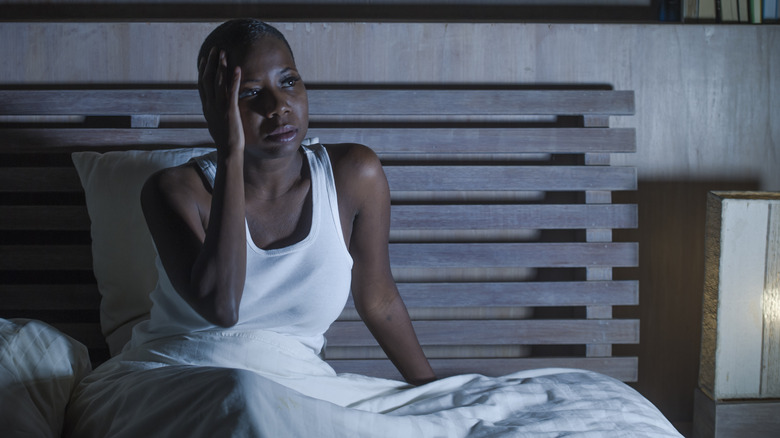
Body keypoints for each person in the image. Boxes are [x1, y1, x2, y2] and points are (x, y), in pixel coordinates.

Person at [135, 18, 436, 386]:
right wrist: (229, 151)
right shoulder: (172, 191)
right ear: (215, 106)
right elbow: (223, 308)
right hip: (180, 376)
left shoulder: (354, 175)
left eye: (288, 81)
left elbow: (380, 301)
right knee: (243, 396)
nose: (278, 106)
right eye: (248, 92)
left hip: (296, 383)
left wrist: (431, 394)